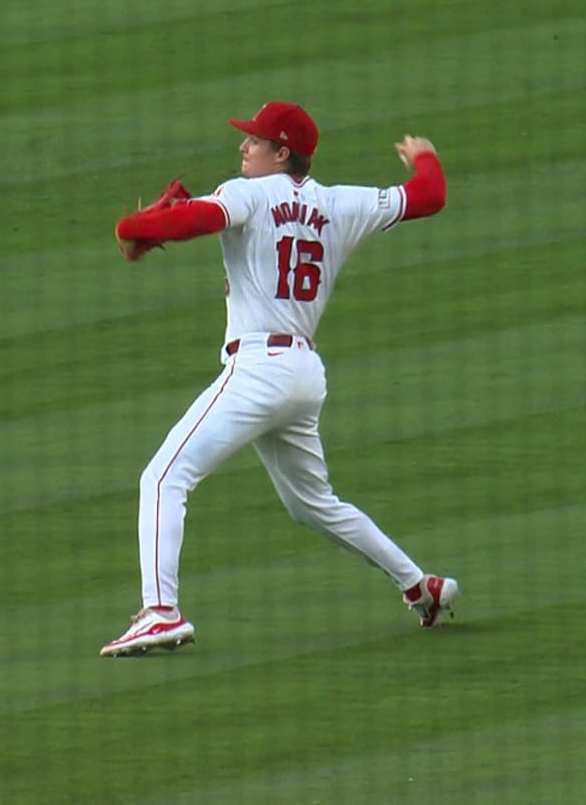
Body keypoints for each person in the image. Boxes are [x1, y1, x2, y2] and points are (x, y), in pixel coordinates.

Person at [99, 101, 457, 657]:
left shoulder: (248, 193)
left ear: (281, 153)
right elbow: (428, 196)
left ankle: (161, 612)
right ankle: (421, 587)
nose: (244, 147)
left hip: (258, 371)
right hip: (304, 376)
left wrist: (132, 228)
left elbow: (193, 220)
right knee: (313, 504)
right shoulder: (342, 203)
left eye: (255, 141)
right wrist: (426, 156)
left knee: (164, 478)